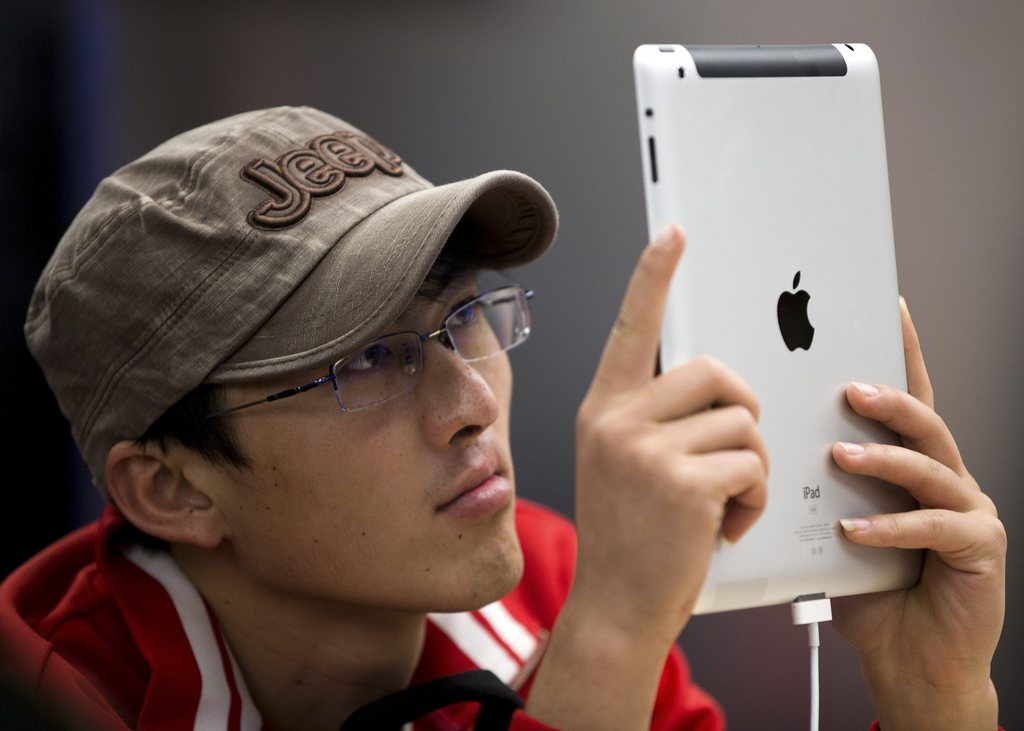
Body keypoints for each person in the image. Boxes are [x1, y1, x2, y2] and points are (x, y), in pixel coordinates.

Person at [0, 106, 1004, 730]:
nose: (474, 404)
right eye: (370, 359)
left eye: (466, 316)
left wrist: (936, 703)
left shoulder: (544, 572)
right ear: (172, 486)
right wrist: (606, 640)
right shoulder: (52, 696)